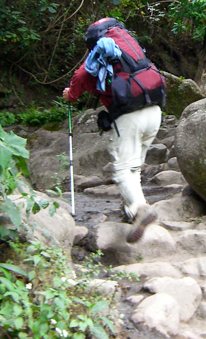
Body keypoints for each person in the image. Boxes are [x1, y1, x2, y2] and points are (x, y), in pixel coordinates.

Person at [62, 20, 161, 244]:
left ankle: (139, 211)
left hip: (129, 117)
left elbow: (78, 81)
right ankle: (134, 211)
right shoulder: (130, 51)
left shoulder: (99, 58)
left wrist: (70, 94)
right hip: (154, 111)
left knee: (123, 168)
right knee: (133, 166)